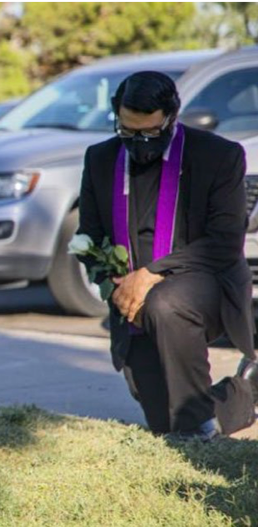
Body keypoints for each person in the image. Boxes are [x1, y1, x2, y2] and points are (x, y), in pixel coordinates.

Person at [76, 71, 257, 440]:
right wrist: (111, 282)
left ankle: (198, 433)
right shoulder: (100, 159)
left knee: (164, 302)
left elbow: (223, 243)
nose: (140, 144)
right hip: (132, 293)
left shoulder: (218, 156)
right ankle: (245, 391)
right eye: (128, 133)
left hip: (207, 284)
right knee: (164, 422)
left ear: (172, 117)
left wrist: (151, 274)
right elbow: (88, 237)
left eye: (150, 134)